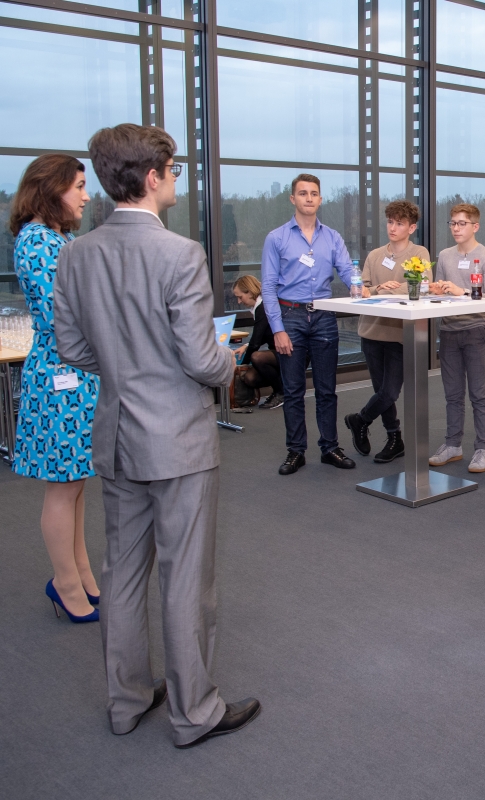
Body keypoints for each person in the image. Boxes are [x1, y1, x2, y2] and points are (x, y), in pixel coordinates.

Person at [54, 123, 260, 747]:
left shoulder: (76, 254)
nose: (176, 180)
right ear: (152, 177)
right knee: (185, 578)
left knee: (121, 575)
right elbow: (200, 359)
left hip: (117, 436)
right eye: (173, 171)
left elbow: (71, 348)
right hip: (177, 440)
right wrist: (230, 365)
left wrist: (127, 366)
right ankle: (194, 712)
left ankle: (127, 701)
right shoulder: (180, 253)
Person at [8, 154, 102, 623]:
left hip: (78, 377)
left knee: (75, 483)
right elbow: (62, 317)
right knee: (63, 488)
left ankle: (81, 571)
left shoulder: (59, 239)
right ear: (51, 189)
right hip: (61, 380)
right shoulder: (37, 242)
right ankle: (64, 584)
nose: (86, 196)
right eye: (78, 186)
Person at [262, 173, 357, 475]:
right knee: (293, 391)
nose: (309, 198)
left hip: (324, 317)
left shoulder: (332, 237)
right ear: (293, 199)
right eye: (303, 193)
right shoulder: (277, 238)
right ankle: (296, 451)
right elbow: (268, 287)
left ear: (320, 199)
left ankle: (330, 448)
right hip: (290, 317)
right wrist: (277, 329)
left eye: (314, 193)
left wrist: (360, 288)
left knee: (327, 390)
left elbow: (347, 271)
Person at [343, 200, 429, 464]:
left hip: (399, 334)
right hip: (371, 331)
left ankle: (360, 420)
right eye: (390, 222)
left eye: (399, 223)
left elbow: (421, 286)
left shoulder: (419, 253)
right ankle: (394, 438)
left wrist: (388, 289)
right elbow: (361, 289)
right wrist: (380, 288)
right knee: (381, 390)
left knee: (389, 392)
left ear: (411, 228)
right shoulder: (375, 255)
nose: (393, 228)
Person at [427, 202, 485, 472]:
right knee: (453, 394)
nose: (456, 228)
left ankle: (483, 449)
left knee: (478, 393)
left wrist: (462, 291)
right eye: (453, 223)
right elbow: (438, 293)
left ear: (475, 226)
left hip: (476, 329)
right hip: (448, 330)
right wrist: (437, 289)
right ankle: (453, 445)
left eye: (462, 223)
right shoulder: (445, 256)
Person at [229, 275, 283, 412]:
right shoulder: (260, 306)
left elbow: (256, 343)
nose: (239, 301)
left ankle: (281, 392)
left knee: (257, 357)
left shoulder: (263, 307)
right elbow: (266, 335)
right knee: (250, 378)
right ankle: (285, 386)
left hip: (290, 351)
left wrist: (241, 366)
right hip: (277, 351)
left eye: (240, 297)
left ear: (250, 292)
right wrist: (246, 346)